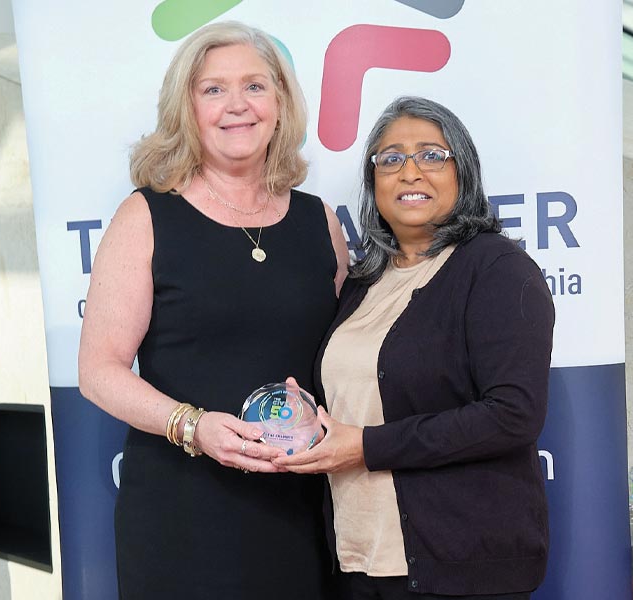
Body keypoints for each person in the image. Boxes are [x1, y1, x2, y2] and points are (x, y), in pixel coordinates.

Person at [77, 21, 349, 599]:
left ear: (280, 102)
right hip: (183, 514)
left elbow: (342, 358)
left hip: (299, 511)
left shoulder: (318, 219)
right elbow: (98, 371)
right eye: (213, 90)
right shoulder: (146, 216)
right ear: (186, 108)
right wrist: (194, 427)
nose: (237, 106)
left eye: (254, 86)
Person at [275, 96, 555, 599]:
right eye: (391, 158)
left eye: (431, 154)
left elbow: (513, 414)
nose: (409, 172)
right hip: (358, 560)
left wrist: (367, 446)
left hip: (459, 568)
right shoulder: (364, 282)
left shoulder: (496, 270)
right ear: (373, 182)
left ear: (462, 172)